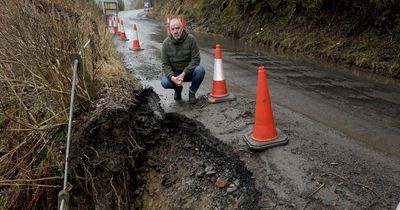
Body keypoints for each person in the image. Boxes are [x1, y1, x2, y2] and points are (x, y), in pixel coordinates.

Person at [161, 18, 205, 104]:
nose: (175, 31)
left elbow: (196, 59)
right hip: (175, 73)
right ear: (170, 30)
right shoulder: (166, 43)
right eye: (173, 29)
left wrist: (184, 73)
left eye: (177, 28)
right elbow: (165, 65)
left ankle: (192, 92)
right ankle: (178, 89)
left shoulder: (191, 39)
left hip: (188, 72)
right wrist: (173, 78)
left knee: (200, 70)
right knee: (165, 82)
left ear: (182, 28)